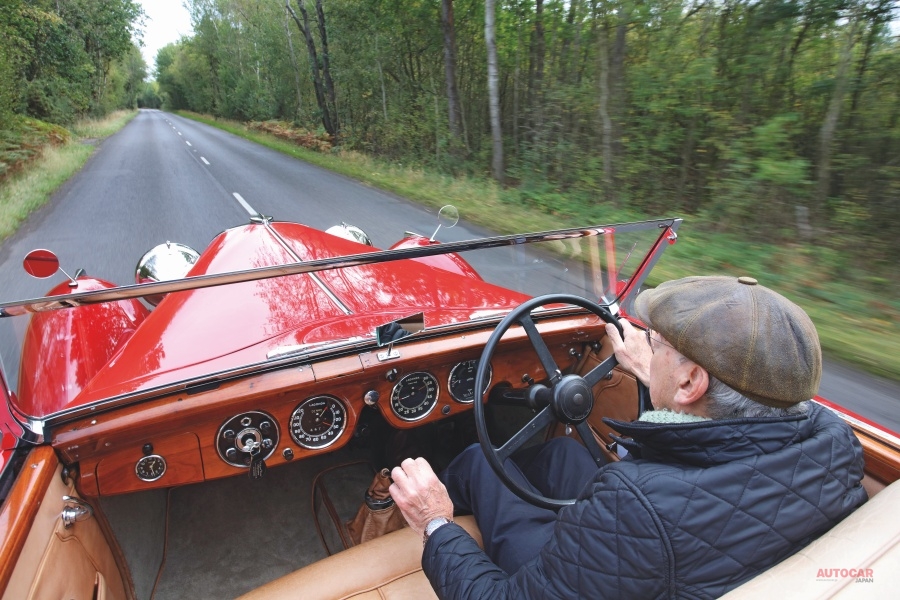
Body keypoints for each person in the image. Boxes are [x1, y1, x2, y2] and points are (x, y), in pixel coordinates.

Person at [390, 275, 867, 599]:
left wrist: (436, 523)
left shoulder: (635, 505)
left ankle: (405, 504)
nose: (647, 346)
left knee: (478, 458)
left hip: (615, 561)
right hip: (696, 558)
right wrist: (653, 375)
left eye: (656, 344)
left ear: (690, 383)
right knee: (560, 454)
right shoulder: (835, 441)